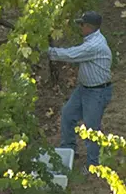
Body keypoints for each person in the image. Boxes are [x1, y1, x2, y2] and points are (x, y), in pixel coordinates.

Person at [47, 10, 114, 169]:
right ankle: (68, 150)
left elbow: (71, 55)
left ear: (89, 27)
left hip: (96, 92)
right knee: (67, 114)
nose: (80, 28)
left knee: (91, 128)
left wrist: (48, 52)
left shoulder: (94, 45)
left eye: (82, 25)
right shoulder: (92, 39)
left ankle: (93, 165)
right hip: (84, 89)